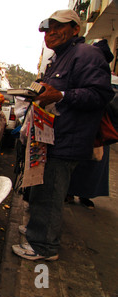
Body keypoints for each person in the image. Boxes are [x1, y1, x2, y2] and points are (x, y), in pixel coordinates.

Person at [12, 9, 115, 261]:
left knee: (50, 192)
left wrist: (61, 95)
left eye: (59, 27)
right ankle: (38, 228)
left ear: (75, 29)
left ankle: (44, 246)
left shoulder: (86, 54)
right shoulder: (60, 58)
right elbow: (51, 90)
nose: (51, 33)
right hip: (48, 138)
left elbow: (99, 95)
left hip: (67, 139)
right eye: (47, 29)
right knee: (39, 188)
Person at [66, 39, 116, 210]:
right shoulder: (83, 68)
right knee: (75, 163)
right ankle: (69, 192)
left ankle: (85, 194)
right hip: (80, 126)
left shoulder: (104, 75)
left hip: (97, 128)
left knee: (94, 163)